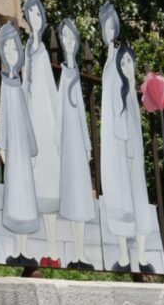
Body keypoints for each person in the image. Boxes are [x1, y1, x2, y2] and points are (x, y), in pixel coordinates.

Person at [98, 2, 155, 274]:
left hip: (130, 146)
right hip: (113, 144)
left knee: (137, 196)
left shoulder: (121, 63)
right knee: (119, 197)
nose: (109, 29)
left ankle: (141, 258)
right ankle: (123, 257)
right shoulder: (108, 63)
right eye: (104, 25)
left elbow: (130, 114)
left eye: (112, 24)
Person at [21, 0, 62, 268]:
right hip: (33, 122)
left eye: (37, 14)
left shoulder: (43, 52)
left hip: (46, 123)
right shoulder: (27, 49)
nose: (34, 18)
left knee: (49, 186)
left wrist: (58, 129)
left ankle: (53, 249)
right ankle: (31, 251)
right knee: (33, 187)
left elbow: (50, 90)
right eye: (30, 14)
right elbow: (26, 86)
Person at [0, 23, 40, 267]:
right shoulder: (6, 84)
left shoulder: (20, 87)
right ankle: (16, 249)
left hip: (24, 150)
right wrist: (2, 144)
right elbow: (3, 116)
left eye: (15, 49)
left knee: (26, 199)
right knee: (14, 199)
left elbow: (26, 120)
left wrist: (33, 148)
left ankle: (25, 249)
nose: (12, 53)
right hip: (13, 151)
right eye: (8, 49)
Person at [55, 19, 96, 270]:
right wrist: (59, 142)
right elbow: (61, 110)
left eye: (72, 38)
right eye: (65, 38)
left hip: (79, 145)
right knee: (71, 199)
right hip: (68, 145)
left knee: (82, 197)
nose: (69, 42)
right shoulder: (65, 74)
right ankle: (76, 253)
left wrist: (88, 144)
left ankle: (82, 253)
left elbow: (81, 112)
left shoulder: (76, 74)